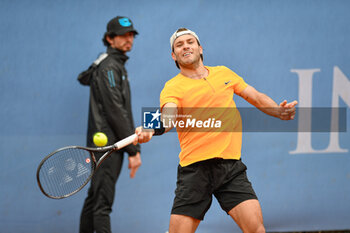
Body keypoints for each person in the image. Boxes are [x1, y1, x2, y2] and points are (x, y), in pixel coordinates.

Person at [134, 28, 298, 233]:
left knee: (256, 230)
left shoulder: (224, 73)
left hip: (230, 168)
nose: (186, 46)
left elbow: (254, 96)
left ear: (200, 48)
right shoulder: (172, 87)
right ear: (173, 56)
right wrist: (151, 128)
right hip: (194, 171)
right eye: (179, 45)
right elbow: (169, 116)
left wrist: (277, 111)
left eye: (190, 42)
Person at [77, 16, 141, 233]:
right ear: (109, 39)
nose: (128, 39)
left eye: (131, 35)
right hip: (108, 146)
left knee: (95, 198)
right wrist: (134, 150)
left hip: (109, 144)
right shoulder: (109, 68)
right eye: (123, 35)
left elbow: (118, 110)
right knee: (102, 203)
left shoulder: (114, 65)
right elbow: (116, 111)